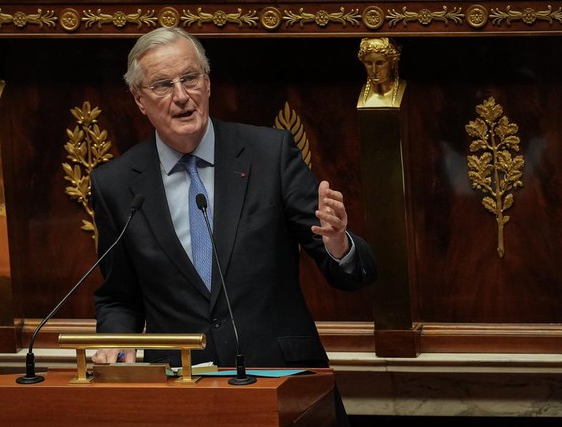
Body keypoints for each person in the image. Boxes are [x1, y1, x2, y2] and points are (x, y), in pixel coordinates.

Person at [90, 27, 376, 425]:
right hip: (180, 389)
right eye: (162, 84)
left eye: (190, 78)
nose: (181, 96)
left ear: (207, 84)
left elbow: (351, 273)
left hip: (283, 383)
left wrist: (338, 243)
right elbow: (119, 296)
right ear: (139, 99)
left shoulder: (268, 153)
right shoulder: (116, 185)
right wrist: (114, 341)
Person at [356, 37, 406, 108]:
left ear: (393, 62)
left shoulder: (409, 94)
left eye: (380, 63)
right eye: (369, 63)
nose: (374, 70)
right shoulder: (355, 94)